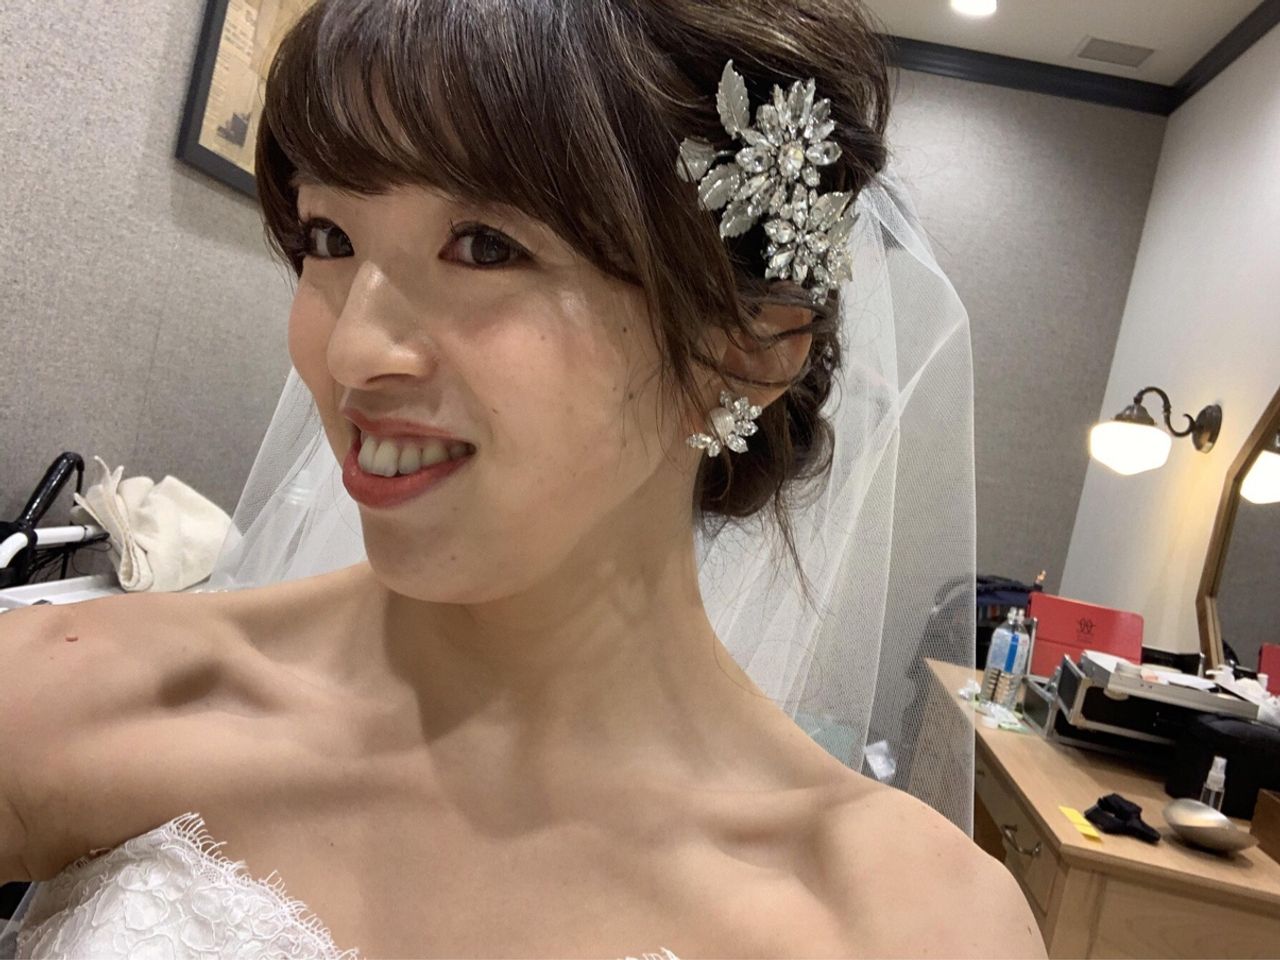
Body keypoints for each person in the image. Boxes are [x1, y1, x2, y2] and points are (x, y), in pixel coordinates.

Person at [0, 0, 1045, 957]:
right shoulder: (83, 696)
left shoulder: (903, 927)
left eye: (484, 247)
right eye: (329, 237)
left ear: (746, 346)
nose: (352, 349)